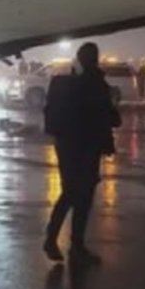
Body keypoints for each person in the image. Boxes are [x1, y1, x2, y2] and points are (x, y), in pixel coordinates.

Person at [42, 42, 122, 264]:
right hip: (87, 148)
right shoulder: (96, 84)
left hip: (67, 146)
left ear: (79, 59)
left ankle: (53, 238)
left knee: (69, 193)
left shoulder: (66, 85)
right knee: (83, 198)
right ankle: (75, 246)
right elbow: (113, 119)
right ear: (95, 59)